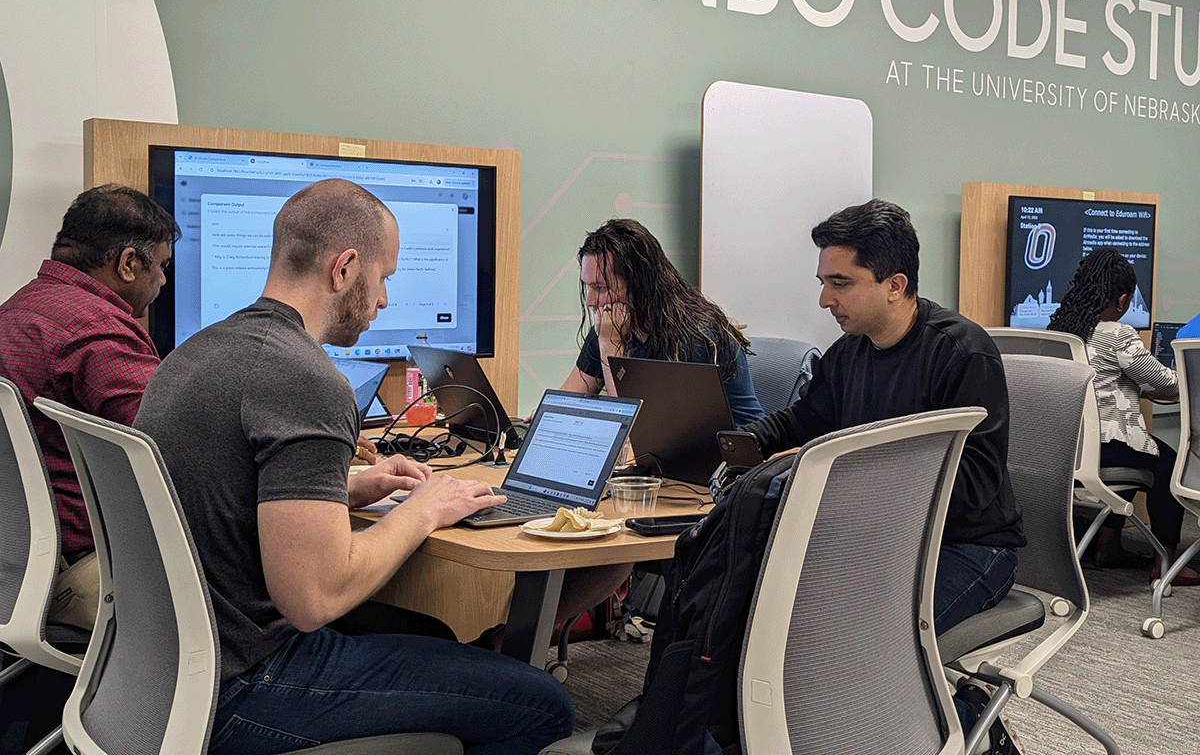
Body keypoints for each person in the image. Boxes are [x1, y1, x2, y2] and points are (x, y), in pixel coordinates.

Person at [133, 179, 574, 755]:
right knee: (543, 704)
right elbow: (315, 597)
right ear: (344, 269)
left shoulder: (195, 352)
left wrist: (345, 491)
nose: (385, 300)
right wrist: (422, 511)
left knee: (433, 636)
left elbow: (225, 496)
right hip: (241, 686)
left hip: (164, 671)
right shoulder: (304, 377)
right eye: (383, 277)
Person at [739, 198, 1026, 755]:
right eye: (824, 282)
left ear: (895, 285)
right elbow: (803, 419)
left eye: (841, 283)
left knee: (861, 646)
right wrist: (743, 442)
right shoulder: (848, 355)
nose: (825, 299)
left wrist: (855, 485)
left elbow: (974, 487)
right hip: (880, 542)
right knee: (776, 624)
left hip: (970, 548)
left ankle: (976, 731)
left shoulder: (962, 354)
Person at [0, 183, 178, 629]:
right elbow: (173, 448)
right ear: (128, 264)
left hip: (16, 556)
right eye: (161, 267)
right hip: (82, 565)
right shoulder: (97, 332)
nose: (163, 283)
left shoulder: (20, 308)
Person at [1047, 247, 1200, 583]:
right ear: (1122, 300)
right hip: (1107, 444)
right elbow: (1169, 384)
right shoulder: (1117, 334)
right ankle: (1167, 565)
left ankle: (1108, 546)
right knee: (1168, 464)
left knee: (1138, 451)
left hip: (1069, 446)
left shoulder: (1060, 331)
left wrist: (1137, 387)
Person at [561, 218, 764, 424]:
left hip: (729, 448)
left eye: (601, 288)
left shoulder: (694, 336)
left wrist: (609, 346)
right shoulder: (611, 322)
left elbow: (640, 433)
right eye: (588, 288)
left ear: (638, 284)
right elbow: (568, 399)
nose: (590, 301)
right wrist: (548, 417)